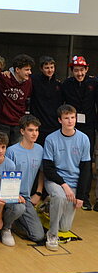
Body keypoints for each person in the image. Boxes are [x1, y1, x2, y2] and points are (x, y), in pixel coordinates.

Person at [43, 104, 91, 251]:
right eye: (66, 118)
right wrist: (64, 185)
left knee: (65, 227)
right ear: (60, 120)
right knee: (60, 197)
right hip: (55, 181)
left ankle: (47, 208)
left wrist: (81, 196)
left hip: (74, 183)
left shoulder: (84, 139)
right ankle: (52, 235)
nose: (70, 121)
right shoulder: (51, 139)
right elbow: (48, 169)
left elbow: (85, 170)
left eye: (72, 117)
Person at [61, 56, 97, 211]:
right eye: (76, 70)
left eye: (82, 70)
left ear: (86, 70)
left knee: (86, 162)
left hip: (88, 127)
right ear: (72, 71)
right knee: (68, 158)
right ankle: (67, 192)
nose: (79, 73)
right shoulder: (66, 85)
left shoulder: (94, 83)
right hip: (70, 127)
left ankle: (85, 197)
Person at [6, 115, 45, 243]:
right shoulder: (12, 151)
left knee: (38, 236)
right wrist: (14, 195)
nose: (34, 134)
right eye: (31, 130)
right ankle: (6, 227)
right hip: (11, 196)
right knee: (19, 208)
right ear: (22, 131)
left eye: (36, 130)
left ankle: (17, 221)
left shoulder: (40, 149)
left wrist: (38, 193)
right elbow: (5, 179)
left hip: (26, 199)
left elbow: (41, 172)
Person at [0, 54, 35, 145]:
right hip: (2, 123)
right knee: (0, 150)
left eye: (30, 69)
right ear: (17, 70)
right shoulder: (3, 78)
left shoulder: (28, 82)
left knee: (17, 151)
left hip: (18, 124)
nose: (30, 72)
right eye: (27, 69)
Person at [30, 55, 62, 146]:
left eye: (52, 67)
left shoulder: (58, 85)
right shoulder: (33, 80)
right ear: (41, 68)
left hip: (54, 125)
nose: (50, 70)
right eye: (46, 68)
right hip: (38, 124)